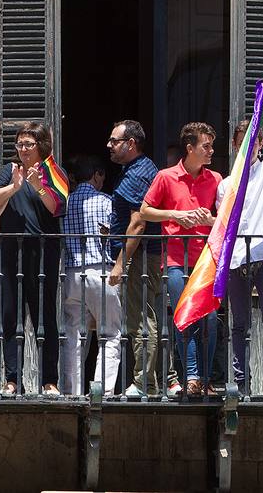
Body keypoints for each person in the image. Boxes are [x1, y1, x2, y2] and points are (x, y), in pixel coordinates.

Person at [140, 121, 222, 399]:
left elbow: (225, 221)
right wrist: (175, 216)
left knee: (210, 318)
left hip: (205, 260)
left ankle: (206, 377)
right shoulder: (165, 176)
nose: (211, 151)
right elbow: (145, 211)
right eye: (206, 146)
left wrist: (206, 218)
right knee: (186, 319)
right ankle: (192, 378)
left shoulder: (216, 180)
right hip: (175, 258)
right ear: (190, 148)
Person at [0, 122, 62, 396]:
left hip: (42, 255)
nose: (23, 149)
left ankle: (49, 381)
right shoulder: (9, 170)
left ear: (41, 145)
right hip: (7, 252)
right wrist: (13, 188)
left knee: (44, 318)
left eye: (29, 144)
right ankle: (12, 380)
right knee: (9, 317)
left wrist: (39, 186)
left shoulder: (53, 171)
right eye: (20, 144)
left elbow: (57, 207)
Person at [218, 105, 263, 396]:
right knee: (239, 324)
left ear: (259, 143)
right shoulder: (226, 185)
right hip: (236, 259)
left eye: (255, 139)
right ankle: (240, 383)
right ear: (236, 145)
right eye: (244, 140)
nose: (251, 144)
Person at [105, 119, 162, 396]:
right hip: (139, 254)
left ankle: (143, 383)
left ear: (130, 144)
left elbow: (138, 222)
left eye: (114, 141)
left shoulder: (137, 174)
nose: (109, 146)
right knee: (142, 317)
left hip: (138, 255)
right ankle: (150, 382)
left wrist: (120, 263)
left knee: (141, 319)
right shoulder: (137, 169)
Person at [60, 155, 121, 396]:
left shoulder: (64, 204)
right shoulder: (107, 202)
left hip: (72, 272)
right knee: (110, 334)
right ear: (97, 174)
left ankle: (71, 392)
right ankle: (102, 392)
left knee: (73, 337)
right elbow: (115, 236)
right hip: (102, 271)